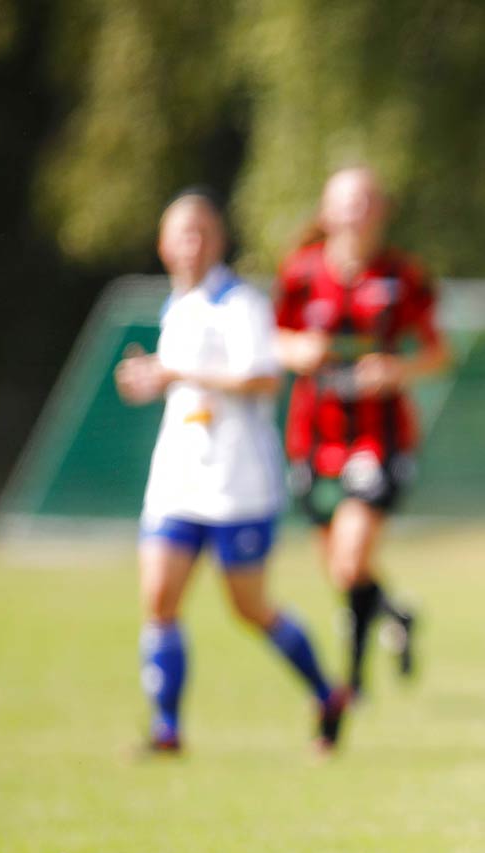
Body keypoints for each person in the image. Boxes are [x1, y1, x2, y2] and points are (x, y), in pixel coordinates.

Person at [115, 190, 348, 754]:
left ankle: (326, 692)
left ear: (217, 241)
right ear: (164, 245)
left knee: (249, 607)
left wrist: (176, 374)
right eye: (181, 234)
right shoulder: (177, 305)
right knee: (159, 599)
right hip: (178, 480)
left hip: (238, 483)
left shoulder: (238, 303)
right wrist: (153, 379)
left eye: (202, 232)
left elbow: (264, 379)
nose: (191, 244)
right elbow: (183, 384)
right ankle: (168, 729)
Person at [274, 166, 452, 697]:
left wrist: (398, 371)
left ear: (382, 212)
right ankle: (395, 613)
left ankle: (349, 684)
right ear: (326, 213)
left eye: (367, 202)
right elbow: (272, 338)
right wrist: (295, 350)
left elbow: (438, 353)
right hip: (314, 438)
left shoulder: (402, 276)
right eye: (346, 203)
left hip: (380, 439)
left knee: (352, 561)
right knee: (341, 570)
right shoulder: (301, 273)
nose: (356, 213)